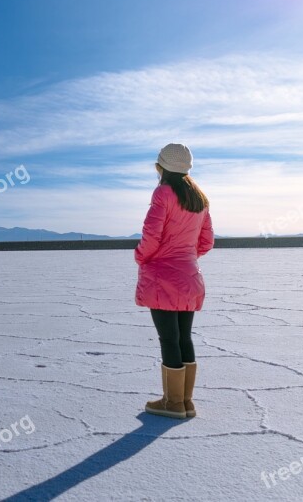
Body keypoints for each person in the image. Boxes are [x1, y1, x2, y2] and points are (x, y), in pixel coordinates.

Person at [135, 143, 214, 419]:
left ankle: (172, 403)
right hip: (189, 277)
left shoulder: (163, 193)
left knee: (168, 339)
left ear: (161, 167)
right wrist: (186, 258)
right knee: (183, 338)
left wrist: (141, 256)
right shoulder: (199, 197)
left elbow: (152, 235)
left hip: (163, 278)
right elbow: (206, 242)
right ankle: (185, 402)